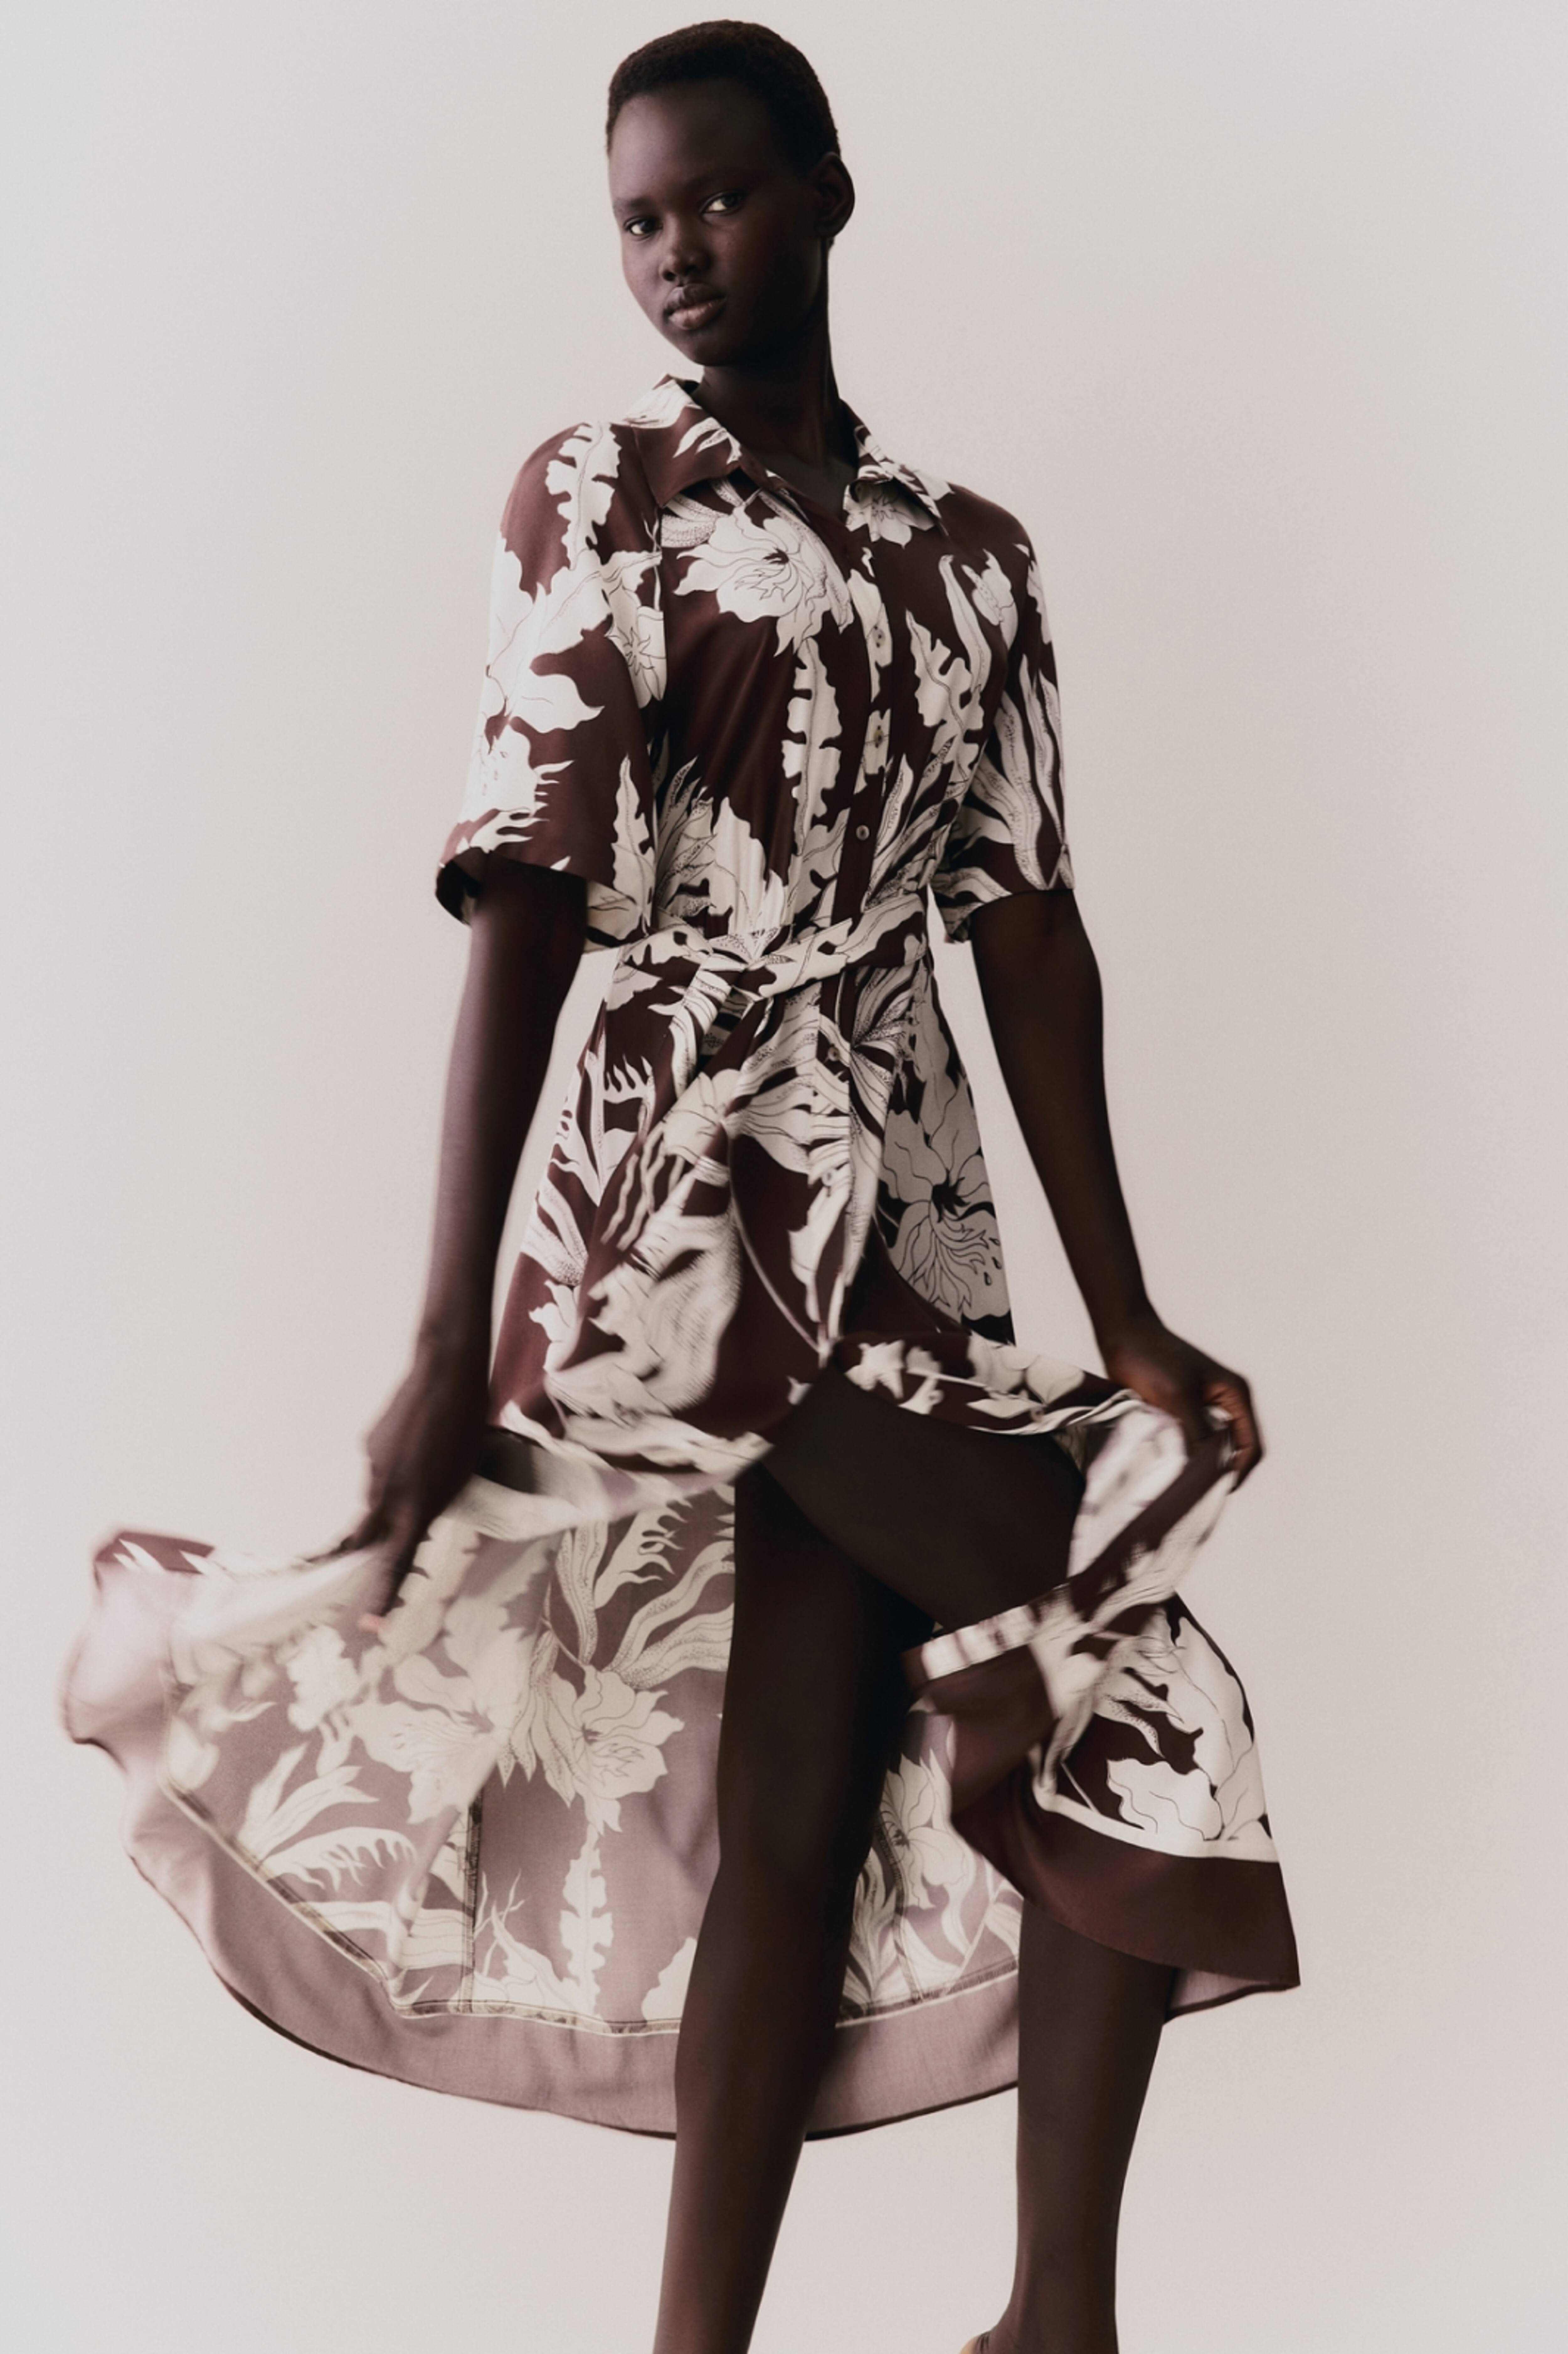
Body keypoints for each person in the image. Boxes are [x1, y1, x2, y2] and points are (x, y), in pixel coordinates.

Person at [66, 23, 1298, 2354]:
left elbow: (1026, 931)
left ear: (827, 192)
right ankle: (1056, 2326)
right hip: (679, 1238)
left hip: (906, 1231)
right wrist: (447, 1339)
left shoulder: (971, 553)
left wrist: (1122, 1315)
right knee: (1112, 1647)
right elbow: (523, 896)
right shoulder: (597, 490)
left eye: (719, 201)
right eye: (638, 219)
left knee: (805, 1801)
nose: (677, 256)